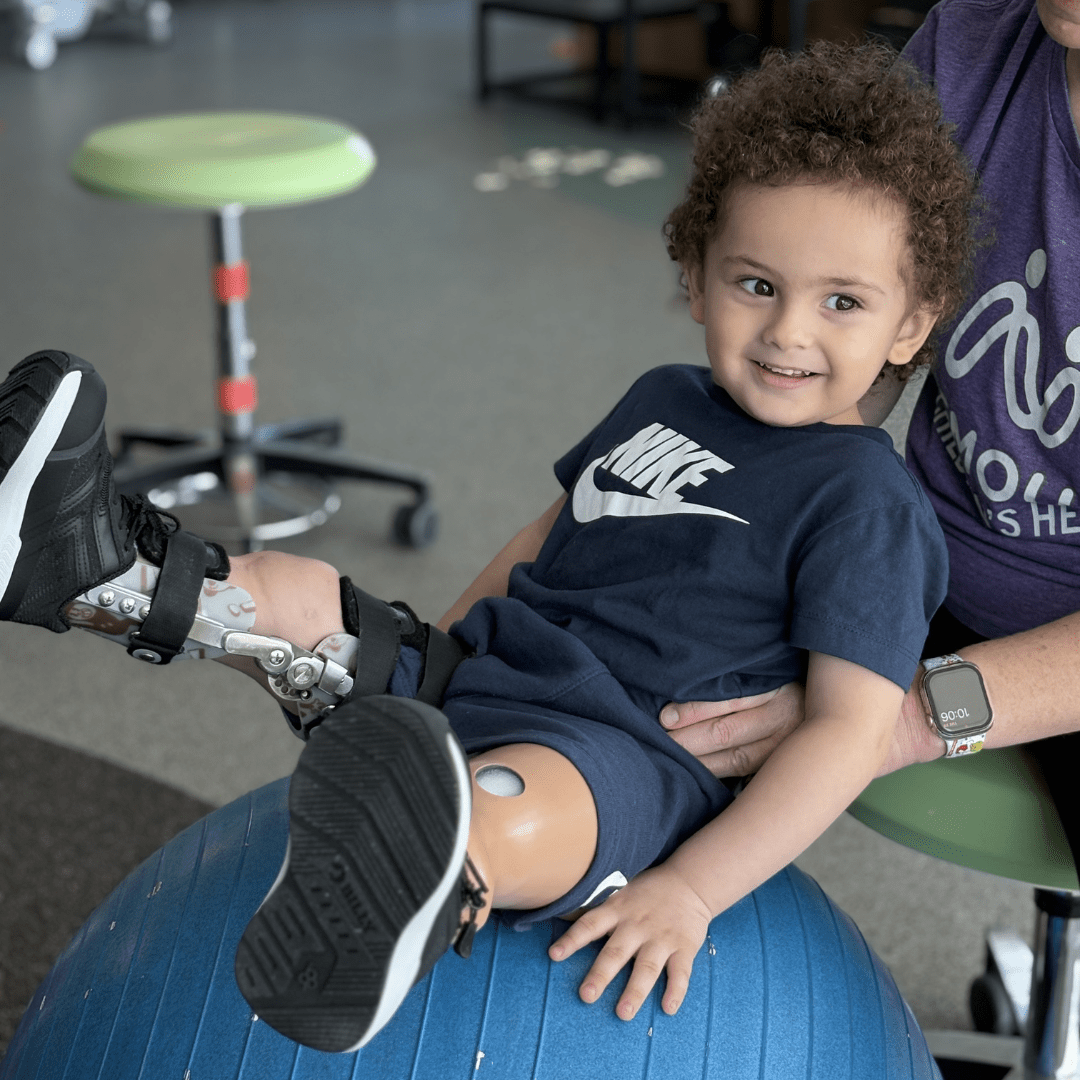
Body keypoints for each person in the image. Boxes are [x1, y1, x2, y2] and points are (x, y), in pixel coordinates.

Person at [0, 43, 977, 1056]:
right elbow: (548, 534)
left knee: (519, 806)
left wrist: (693, 888)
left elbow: (846, 734)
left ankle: (420, 879)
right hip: (493, 667)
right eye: (757, 284)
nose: (788, 333)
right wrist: (430, 658)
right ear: (696, 278)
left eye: (843, 303)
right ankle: (88, 562)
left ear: (912, 324)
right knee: (295, 595)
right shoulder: (665, 399)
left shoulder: (868, 503)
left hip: (624, 750)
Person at [661, 0, 1080, 862]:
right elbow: (864, 338)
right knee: (657, 646)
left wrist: (903, 719)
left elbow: (880, 726)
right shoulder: (971, 43)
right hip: (917, 561)